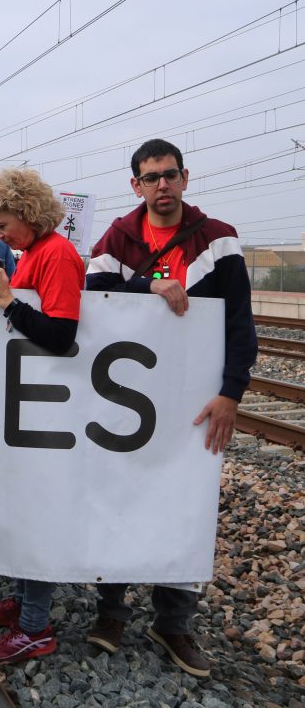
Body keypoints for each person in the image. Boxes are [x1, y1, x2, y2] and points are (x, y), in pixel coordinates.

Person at [83, 138, 257, 678]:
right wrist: (150, 283)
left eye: (170, 175)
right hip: (128, 403)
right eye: (151, 177)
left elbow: (239, 324)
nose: (162, 185)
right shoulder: (118, 237)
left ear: (185, 178)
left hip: (194, 403)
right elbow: (95, 295)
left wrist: (232, 392)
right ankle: (110, 611)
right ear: (135, 184)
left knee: (188, 501)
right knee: (120, 494)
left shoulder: (219, 240)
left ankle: (174, 622)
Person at [0, 168, 84, 665]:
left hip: (47, 406)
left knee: (35, 510)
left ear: (28, 213)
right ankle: (24, 602)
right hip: (30, 401)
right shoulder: (34, 251)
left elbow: (60, 335)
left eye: (1, 223)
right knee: (22, 506)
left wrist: (6, 301)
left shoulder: (55, 254)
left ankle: (36, 626)